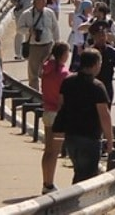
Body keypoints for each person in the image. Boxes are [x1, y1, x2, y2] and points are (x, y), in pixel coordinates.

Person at [53, 47, 114, 184]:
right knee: (88, 176)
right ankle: (76, 203)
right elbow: (104, 115)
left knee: (79, 172)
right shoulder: (97, 86)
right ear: (95, 64)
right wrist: (110, 140)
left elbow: (60, 106)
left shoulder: (68, 82)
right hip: (90, 137)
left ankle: (73, 201)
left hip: (71, 136)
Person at [40, 42, 71, 194]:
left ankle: (46, 181)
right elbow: (63, 98)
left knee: (48, 150)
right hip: (57, 114)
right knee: (54, 151)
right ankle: (49, 183)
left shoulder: (46, 68)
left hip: (47, 112)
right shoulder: (64, 74)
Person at [18, 0, 61, 90]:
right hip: (34, 47)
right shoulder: (27, 14)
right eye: (42, 0)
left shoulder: (49, 12)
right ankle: (34, 94)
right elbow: (19, 29)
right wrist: (29, 30)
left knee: (49, 71)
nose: (44, 2)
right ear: (35, 1)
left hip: (48, 46)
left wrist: (57, 43)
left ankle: (46, 92)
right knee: (33, 73)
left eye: (45, 0)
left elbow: (55, 28)